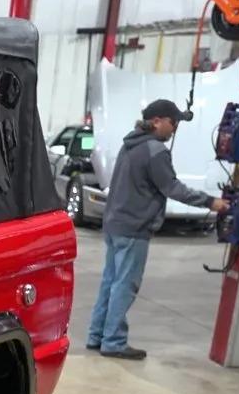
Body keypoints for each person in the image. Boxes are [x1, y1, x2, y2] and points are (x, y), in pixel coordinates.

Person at [84, 98, 228, 361]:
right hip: (133, 227)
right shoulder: (155, 151)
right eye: (173, 123)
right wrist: (211, 202)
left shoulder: (130, 144)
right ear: (157, 121)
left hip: (115, 223)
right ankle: (113, 341)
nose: (174, 129)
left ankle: (97, 335)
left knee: (110, 282)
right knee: (125, 284)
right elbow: (172, 188)